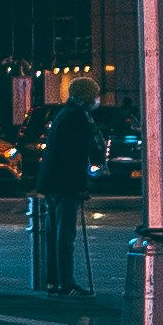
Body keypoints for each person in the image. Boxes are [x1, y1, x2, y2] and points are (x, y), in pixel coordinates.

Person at [36, 79, 103, 293]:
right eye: (95, 94)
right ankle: (66, 282)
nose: (97, 99)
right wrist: (80, 186)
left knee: (54, 232)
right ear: (87, 96)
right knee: (65, 235)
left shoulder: (64, 113)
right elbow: (74, 156)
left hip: (52, 183)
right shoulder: (78, 118)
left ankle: (53, 280)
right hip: (65, 185)